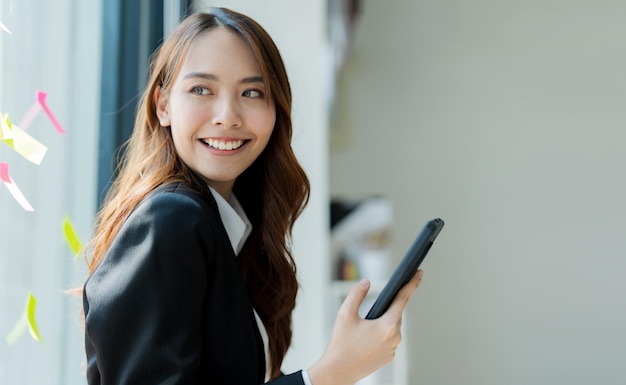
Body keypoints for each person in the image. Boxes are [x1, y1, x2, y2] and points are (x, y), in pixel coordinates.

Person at [82, 7, 423, 385]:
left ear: (275, 108)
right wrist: (332, 373)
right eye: (201, 89)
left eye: (251, 92)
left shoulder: (228, 229)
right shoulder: (170, 219)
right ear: (163, 106)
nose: (228, 116)